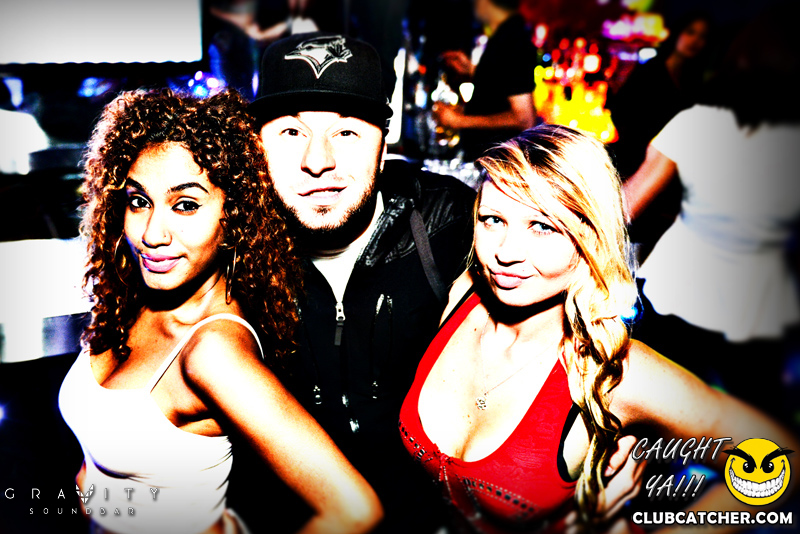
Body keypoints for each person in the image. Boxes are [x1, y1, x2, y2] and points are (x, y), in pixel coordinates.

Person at [238, 32, 645, 533]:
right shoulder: (228, 244)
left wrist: (614, 442)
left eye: (346, 132)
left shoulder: (448, 222)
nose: (318, 160)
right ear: (256, 144)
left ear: (383, 143)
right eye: (290, 132)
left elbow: (584, 292)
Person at [397, 124, 798, 533]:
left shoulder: (612, 370)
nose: (505, 252)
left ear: (590, 237)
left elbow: (783, 459)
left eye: (543, 226)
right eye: (493, 219)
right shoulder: (460, 293)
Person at [58, 88, 382, 534]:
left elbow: (355, 511)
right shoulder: (136, 291)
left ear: (234, 216)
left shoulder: (214, 353)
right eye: (139, 201)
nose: (152, 234)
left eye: (186, 205)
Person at [623, 1, 800, 416]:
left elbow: (626, 207)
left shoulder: (697, 123)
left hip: (678, 297)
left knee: (653, 426)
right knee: (751, 437)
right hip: (763, 315)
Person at [607, 10, 712, 259]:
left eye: (703, 37)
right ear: (677, 34)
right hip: (636, 163)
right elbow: (619, 111)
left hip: (674, 178)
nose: (695, 41)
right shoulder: (651, 72)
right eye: (690, 33)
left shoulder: (696, 82)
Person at [433, 0, 537, 161]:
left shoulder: (513, 40)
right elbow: (503, 83)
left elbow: (524, 118)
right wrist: (472, 70)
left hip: (497, 161)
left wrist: (459, 121)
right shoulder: (504, 36)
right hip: (490, 159)